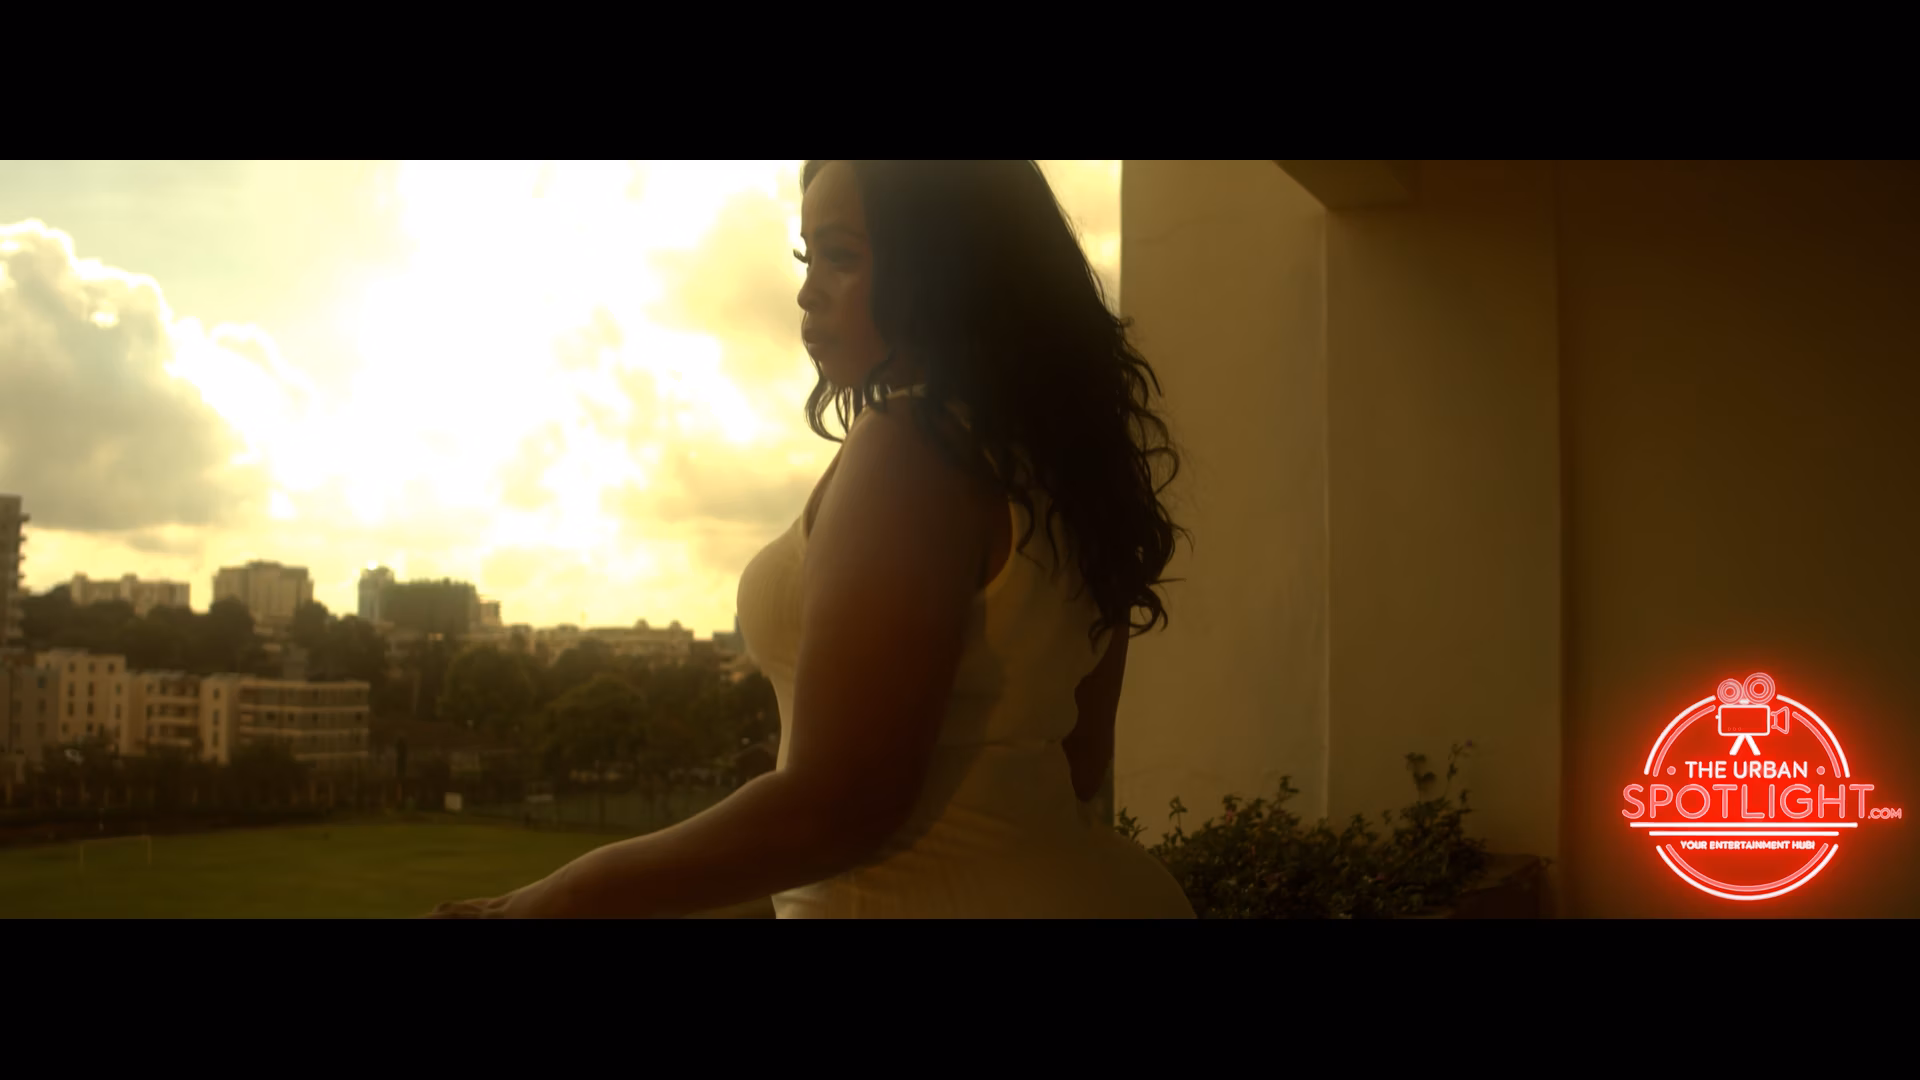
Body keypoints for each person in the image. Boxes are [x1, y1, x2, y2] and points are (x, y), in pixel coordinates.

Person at [428, 160, 1194, 918]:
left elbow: (838, 808)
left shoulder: (913, 447)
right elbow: (1076, 760)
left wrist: (546, 902)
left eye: (842, 256)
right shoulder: (1065, 468)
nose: (807, 290)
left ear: (941, 266)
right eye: (808, 257)